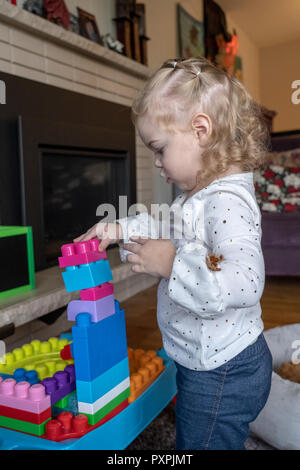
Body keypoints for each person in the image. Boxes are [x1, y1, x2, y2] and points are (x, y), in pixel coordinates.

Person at [74, 57, 273, 450]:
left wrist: (171, 264)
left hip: (222, 372)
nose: (157, 162)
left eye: (159, 148)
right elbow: (165, 227)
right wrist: (118, 230)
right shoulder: (199, 196)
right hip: (209, 362)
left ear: (200, 131)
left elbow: (247, 282)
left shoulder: (226, 203)